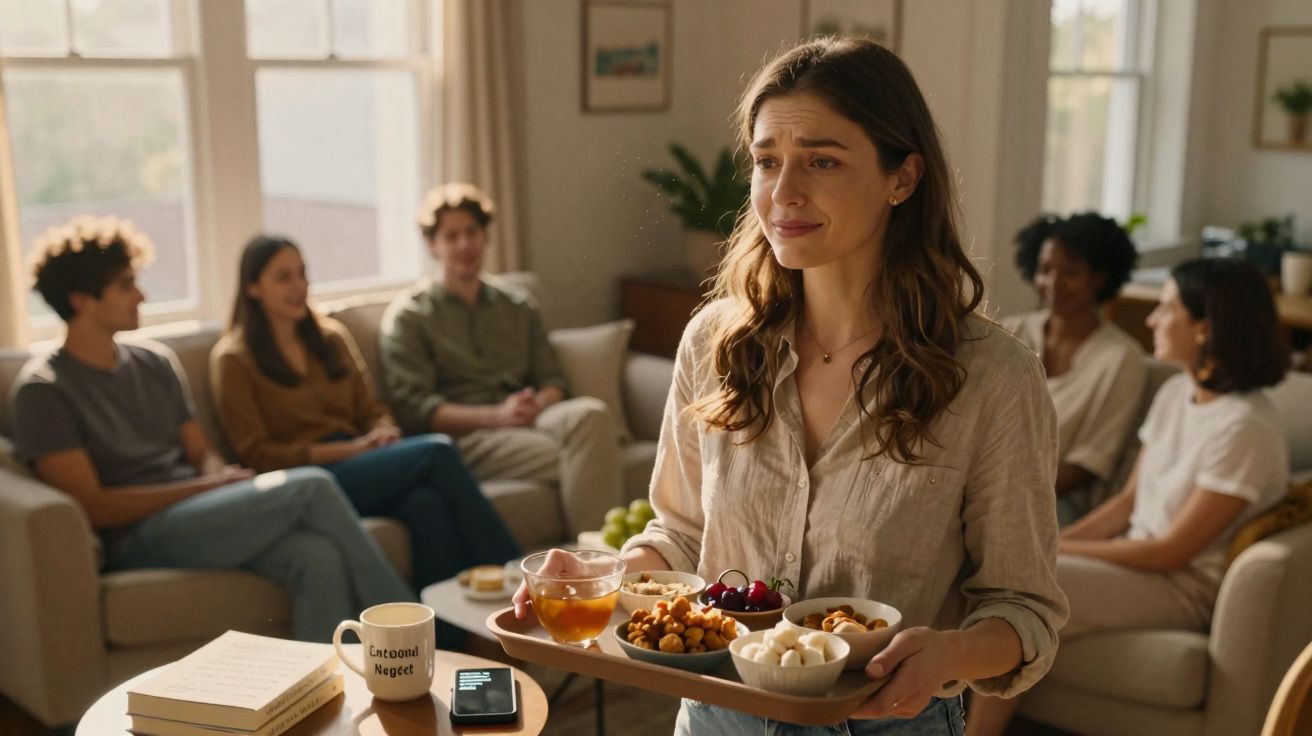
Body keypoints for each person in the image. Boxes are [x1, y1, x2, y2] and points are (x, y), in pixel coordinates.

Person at [515, 38, 1068, 734]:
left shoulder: (992, 377)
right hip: (719, 714)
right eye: (767, 161)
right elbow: (682, 535)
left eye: (823, 161)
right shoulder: (715, 344)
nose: (783, 193)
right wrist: (599, 579)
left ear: (903, 178)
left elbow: (1024, 607)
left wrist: (950, 651)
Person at [8, 217, 415, 643]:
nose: (142, 295)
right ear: (81, 300)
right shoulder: (44, 391)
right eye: (126, 285)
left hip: (198, 512)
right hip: (137, 537)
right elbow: (95, 507)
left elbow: (201, 451)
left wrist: (220, 478)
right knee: (311, 485)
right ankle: (411, 636)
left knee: (318, 557)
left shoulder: (155, 362)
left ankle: (326, 696)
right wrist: (203, 488)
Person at [968, 257, 1290, 736]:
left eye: (1166, 308)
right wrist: (1048, 541)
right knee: (1013, 571)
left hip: (1183, 586)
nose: (1153, 319)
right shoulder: (1176, 393)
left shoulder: (1245, 429)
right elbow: (1126, 505)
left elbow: (1171, 551)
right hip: (1136, 564)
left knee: (1020, 589)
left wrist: (1053, 552)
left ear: (1204, 327)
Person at [209, 235, 522, 597]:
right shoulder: (233, 359)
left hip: (363, 461)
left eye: (302, 273)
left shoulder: (331, 337)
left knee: (426, 504)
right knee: (438, 452)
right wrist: (352, 452)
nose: (299, 286)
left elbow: (373, 410)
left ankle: (443, 637)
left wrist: (383, 432)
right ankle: (520, 581)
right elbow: (257, 455)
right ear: (252, 287)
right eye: (283, 277)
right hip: (309, 481)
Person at [378, 182, 623, 535]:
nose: (465, 244)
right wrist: (498, 416)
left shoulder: (517, 305)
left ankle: (595, 567)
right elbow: (416, 410)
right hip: (469, 433)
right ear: (432, 246)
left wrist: (534, 404)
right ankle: (594, 569)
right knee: (588, 457)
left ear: (486, 237)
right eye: (451, 236)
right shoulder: (410, 316)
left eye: (472, 232)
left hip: (530, 416)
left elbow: (553, 380)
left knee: (592, 415)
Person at [1002, 213, 1146, 525]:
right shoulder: (1007, 334)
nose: (1053, 284)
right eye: (1044, 270)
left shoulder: (1121, 359)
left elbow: (1089, 464)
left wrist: (1002, 489)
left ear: (1101, 277)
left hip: (1055, 501)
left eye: (1071, 272)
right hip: (982, 487)